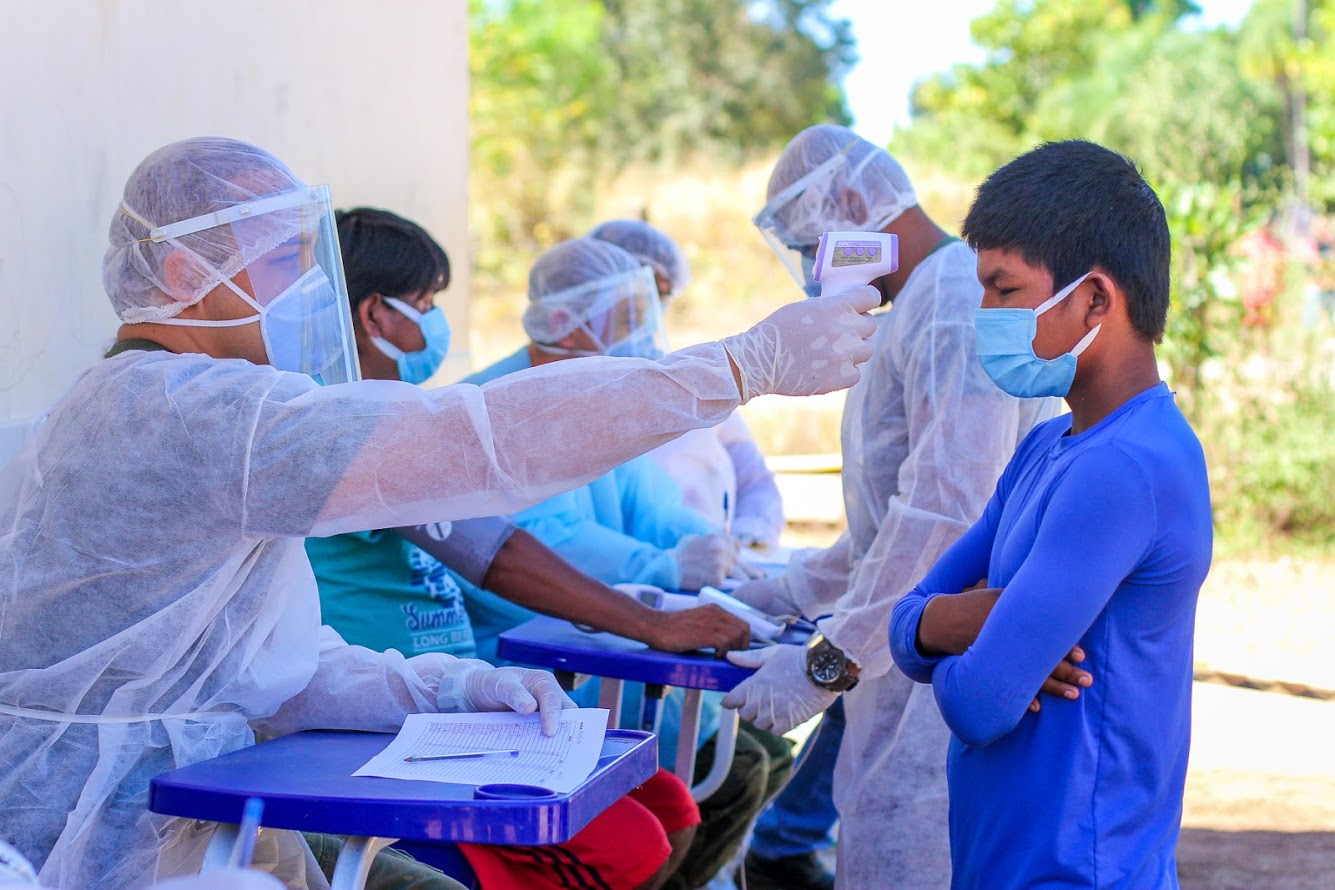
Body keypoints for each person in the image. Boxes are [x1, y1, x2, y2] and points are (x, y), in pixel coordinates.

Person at [0, 136, 880, 890]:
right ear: (190, 274)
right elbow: (480, 438)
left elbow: (269, 671)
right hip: (112, 830)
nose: (309, 286)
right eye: (282, 262)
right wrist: (731, 369)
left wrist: (453, 690)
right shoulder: (189, 410)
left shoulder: (177, 408)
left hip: (192, 803)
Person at [304, 207, 759, 889]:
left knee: (667, 802)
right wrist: (652, 621)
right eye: (425, 304)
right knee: (636, 834)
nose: (434, 323)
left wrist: (691, 566)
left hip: (460, 694)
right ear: (375, 316)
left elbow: (637, 515)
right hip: (399, 711)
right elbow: (498, 554)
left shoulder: (401, 412)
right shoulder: (347, 423)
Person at [721, 125, 1059, 889]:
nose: (813, 272)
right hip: (912, 659)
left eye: (812, 247)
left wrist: (824, 662)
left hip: (941, 664)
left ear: (849, 203)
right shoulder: (921, 303)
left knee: (913, 851)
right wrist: (783, 594)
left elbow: (943, 517)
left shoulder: (946, 304)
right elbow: (890, 517)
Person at [890, 139, 1213, 888]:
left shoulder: (1124, 468)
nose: (984, 316)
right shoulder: (1048, 448)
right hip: (1008, 859)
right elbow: (904, 634)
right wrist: (953, 625)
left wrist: (957, 639)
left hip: (1078, 867)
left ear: (1094, 298)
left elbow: (978, 704)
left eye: (1003, 291)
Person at [461, 238, 795, 890]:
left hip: (598, 635)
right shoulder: (498, 405)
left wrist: (717, 559)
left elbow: (651, 502)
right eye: (623, 315)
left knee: (756, 758)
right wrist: (665, 568)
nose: (642, 331)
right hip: (516, 659)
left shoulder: (591, 398)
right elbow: (537, 539)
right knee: (729, 772)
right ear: (561, 321)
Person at [588, 219, 785, 548]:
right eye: (638, 286)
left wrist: (750, 537)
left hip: (708, 573)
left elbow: (754, 480)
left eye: (660, 293)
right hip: (614, 587)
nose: (647, 304)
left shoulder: (691, 380)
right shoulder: (566, 388)